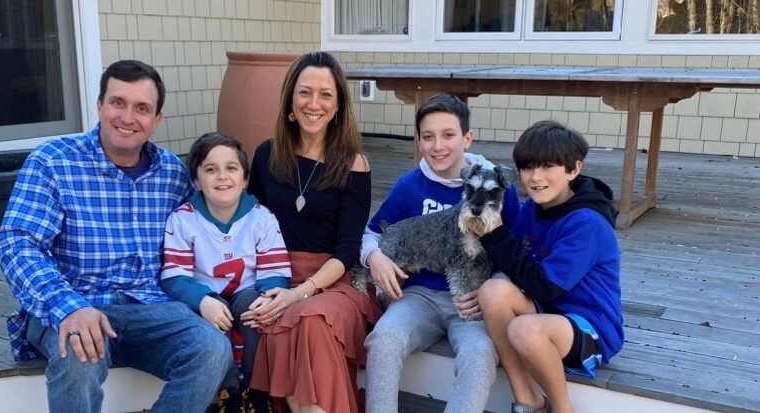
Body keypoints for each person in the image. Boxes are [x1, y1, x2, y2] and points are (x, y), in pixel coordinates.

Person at [0, 60, 231, 413]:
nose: (127, 117)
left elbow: (202, 239)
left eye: (142, 108)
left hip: (152, 308)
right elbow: (18, 244)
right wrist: (69, 308)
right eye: (118, 103)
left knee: (212, 348)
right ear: (99, 106)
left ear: (156, 120)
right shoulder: (53, 161)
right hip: (78, 301)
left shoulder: (171, 173)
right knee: (79, 350)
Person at [360, 93, 520, 413]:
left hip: (473, 299)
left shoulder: (498, 188)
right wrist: (374, 258)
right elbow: (372, 233)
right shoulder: (410, 185)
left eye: (448, 135)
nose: (438, 146)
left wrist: (493, 289)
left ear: (467, 137)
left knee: (480, 354)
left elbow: (517, 252)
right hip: (418, 295)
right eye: (428, 137)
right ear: (418, 141)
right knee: (383, 340)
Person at [244, 51, 381, 413]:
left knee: (311, 319)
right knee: (294, 320)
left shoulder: (354, 164)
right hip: (276, 274)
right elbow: (248, 222)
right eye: (305, 92)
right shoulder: (266, 156)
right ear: (291, 98)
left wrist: (301, 293)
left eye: (326, 95)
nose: (314, 104)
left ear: (338, 106)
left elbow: (348, 249)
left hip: (332, 283)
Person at [476, 120, 623, 413]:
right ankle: (527, 399)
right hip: (546, 310)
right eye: (528, 167)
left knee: (524, 330)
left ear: (573, 169)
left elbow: (545, 284)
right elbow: (513, 259)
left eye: (547, 167)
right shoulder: (534, 208)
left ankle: (563, 408)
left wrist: (493, 233)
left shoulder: (586, 223)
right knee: (492, 291)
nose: (535, 177)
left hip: (589, 327)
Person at [160, 132, 291, 412]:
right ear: (196, 180)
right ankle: (227, 390)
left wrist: (267, 296)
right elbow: (175, 276)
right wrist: (201, 300)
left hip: (247, 290)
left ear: (245, 179)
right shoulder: (183, 219)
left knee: (257, 310)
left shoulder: (261, 218)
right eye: (210, 169)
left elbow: (275, 270)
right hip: (206, 297)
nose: (222, 176)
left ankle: (257, 388)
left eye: (231, 168)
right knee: (208, 314)